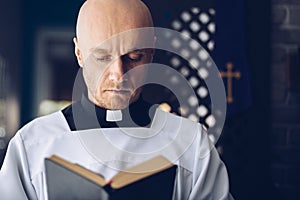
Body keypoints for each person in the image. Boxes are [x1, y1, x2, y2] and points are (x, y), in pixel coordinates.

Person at [0, 0, 234, 199]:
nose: (119, 75)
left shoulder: (190, 143)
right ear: (79, 54)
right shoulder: (31, 145)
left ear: (151, 52)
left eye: (134, 57)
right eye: (102, 57)